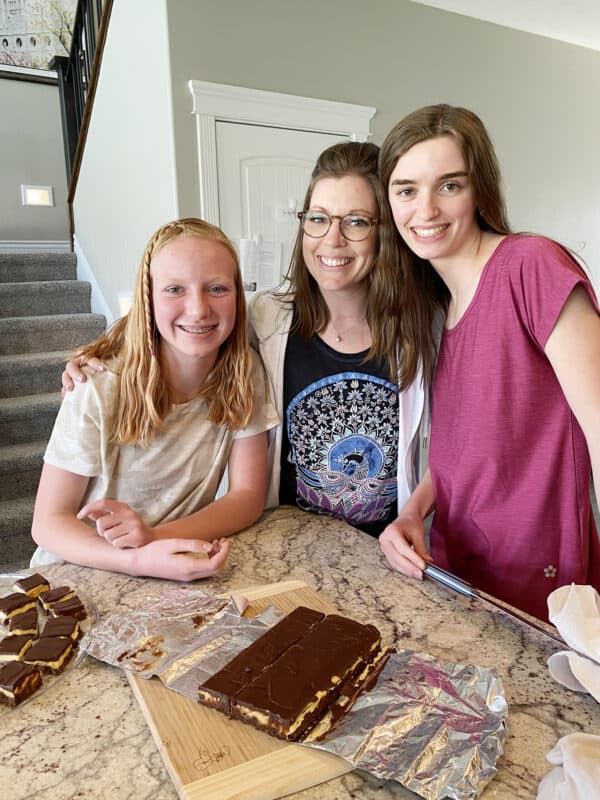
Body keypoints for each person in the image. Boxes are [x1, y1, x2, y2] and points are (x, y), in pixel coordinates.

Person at [62, 143, 429, 538]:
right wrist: (99, 350)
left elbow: (450, 451)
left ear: (384, 231)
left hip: (386, 550)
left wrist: (414, 515)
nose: (332, 239)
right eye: (318, 218)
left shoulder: (426, 331)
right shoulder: (268, 315)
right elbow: (185, 317)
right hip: (285, 543)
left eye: (356, 221)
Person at [377, 103, 600, 620]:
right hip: (459, 572)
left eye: (449, 185)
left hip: (543, 588)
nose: (426, 210)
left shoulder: (531, 266)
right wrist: (413, 511)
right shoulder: (437, 309)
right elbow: (460, 449)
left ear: (479, 190)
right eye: (406, 189)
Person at [32, 218, 278, 581]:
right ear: (147, 300)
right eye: (175, 289)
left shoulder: (244, 373)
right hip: (81, 572)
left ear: (238, 297)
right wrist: (140, 559)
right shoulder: (97, 386)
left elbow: (247, 496)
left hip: (169, 564)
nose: (198, 309)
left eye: (217, 288)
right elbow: (48, 523)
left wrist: (156, 541)